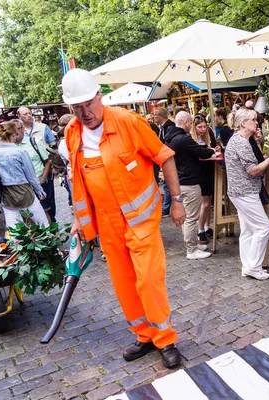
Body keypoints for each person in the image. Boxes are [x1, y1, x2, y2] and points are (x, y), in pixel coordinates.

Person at [62, 68, 186, 369]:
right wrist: (79, 221)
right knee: (124, 283)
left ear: (99, 96)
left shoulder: (128, 122)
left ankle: (165, 338)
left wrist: (178, 201)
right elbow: (78, 181)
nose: (84, 112)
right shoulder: (72, 134)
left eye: (88, 104)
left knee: (149, 281)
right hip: (106, 223)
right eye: (76, 107)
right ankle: (144, 336)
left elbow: (164, 156)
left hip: (140, 220)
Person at [224, 108, 269, 280]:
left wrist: (257, 141)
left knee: (247, 229)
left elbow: (254, 161)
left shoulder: (241, 140)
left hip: (240, 191)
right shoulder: (240, 142)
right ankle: (253, 266)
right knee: (264, 227)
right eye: (254, 120)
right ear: (243, 123)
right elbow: (253, 170)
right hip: (245, 191)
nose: (256, 123)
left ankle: (248, 265)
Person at [0, 121, 48, 229]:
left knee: (15, 231)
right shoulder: (20, 152)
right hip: (24, 192)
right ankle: (49, 244)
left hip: (6, 194)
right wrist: (39, 191)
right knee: (43, 225)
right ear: (12, 135)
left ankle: (20, 245)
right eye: (16, 134)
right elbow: (31, 176)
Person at [165, 112, 214, 260]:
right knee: (191, 218)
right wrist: (211, 150)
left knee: (188, 217)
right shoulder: (183, 139)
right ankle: (191, 249)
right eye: (191, 123)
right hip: (189, 181)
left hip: (180, 180)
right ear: (186, 122)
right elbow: (202, 152)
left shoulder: (170, 137)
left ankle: (192, 244)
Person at [17, 107, 56, 222]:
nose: (29, 116)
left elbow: (53, 145)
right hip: (28, 181)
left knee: (48, 203)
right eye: (25, 114)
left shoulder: (43, 127)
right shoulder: (16, 136)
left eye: (30, 113)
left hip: (43, 172)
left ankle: (52, 223)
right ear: (19, 117)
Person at [189, 114, 218, 246]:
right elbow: (200, 155)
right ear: (194, 127)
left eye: (205, 127)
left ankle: (206, 227)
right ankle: (200, 230)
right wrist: (210, 152)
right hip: (200, 173)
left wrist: (212, 150)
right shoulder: (192, 140)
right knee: (205, 203)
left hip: (209, 171)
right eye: (200, 127)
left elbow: (208, 151)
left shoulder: (206, 137)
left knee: (208, 201)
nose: (203, 129)